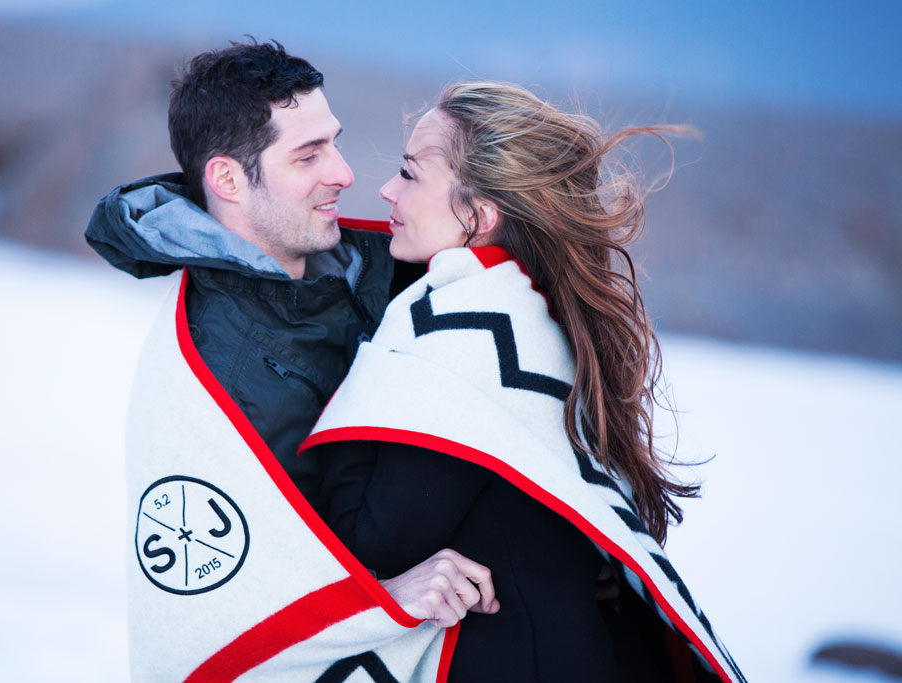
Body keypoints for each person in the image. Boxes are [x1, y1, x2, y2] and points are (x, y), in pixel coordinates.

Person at [302, 82, 745, 682]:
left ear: (479, 215)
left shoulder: (462, 339)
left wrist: (367, 372)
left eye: (410, 173)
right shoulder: (531, 313)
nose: (385, 190)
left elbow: (369, 544)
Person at [86, 42, 496, 682]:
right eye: (309, 155)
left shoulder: (382, 271)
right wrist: (388, 596)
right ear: (227, 179)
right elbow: (229, 600)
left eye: (332, 142)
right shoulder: (219, 373)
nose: (344, 172)